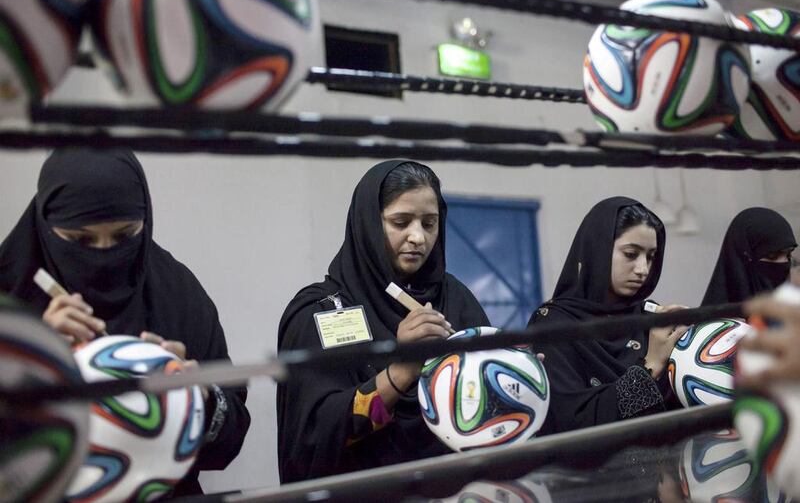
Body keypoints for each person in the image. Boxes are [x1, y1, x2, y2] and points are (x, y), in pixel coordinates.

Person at [0, 148, 250, 496]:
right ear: (44, 224)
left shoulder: (176, 294)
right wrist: (29, 353)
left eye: (123, 235)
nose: (103, 254)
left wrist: (197, 397)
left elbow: (229, 441)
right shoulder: (10, 300)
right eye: (80, 240)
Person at [276, 160, 489, 483]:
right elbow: (312, 441)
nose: (417, 237)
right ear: (369, 225)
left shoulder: (456, 298)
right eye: (400, 222)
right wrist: (399, 373)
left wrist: (511, 375)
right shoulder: (320, 311)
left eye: (429, 224)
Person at [527, 197, 687, 434]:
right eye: (631, 254)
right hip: (590, 470)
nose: (643, 269)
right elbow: (573, 423)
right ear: (597, 251)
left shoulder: (650, 320)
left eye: (651, 257)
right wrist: (651, 365)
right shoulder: (553, 324)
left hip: (669, 465)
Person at [702, 207, 797, 305]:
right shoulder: (720, 319)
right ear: (744, 258)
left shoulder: (791, 309)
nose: (783, 263)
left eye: (788, 255)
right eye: (772, 256)